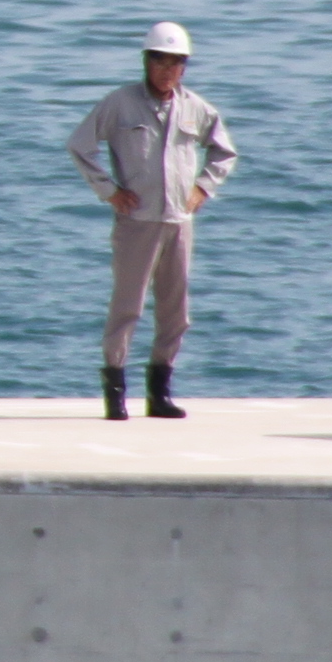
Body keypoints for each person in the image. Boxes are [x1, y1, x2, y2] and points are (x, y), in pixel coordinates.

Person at [68, 21, 235, 420]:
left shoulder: (195, 107)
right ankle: (115, 392)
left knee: (175, 311)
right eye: (159, 60)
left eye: (176, 62)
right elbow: (80, 145)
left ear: (185, 67)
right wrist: (108, 190)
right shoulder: (120, 104)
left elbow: (223, 152)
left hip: (179, 222)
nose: (167, 69)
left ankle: (159, 392)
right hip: (137, 222)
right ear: (146, 61)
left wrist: (202, 189)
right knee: (127, 307)